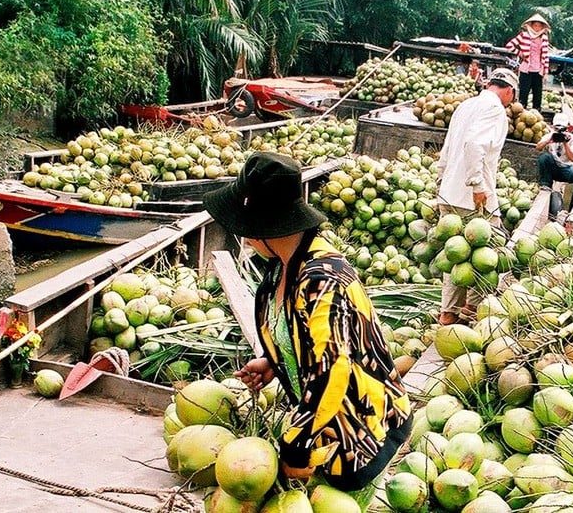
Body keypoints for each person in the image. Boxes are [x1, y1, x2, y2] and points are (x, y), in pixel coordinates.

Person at [203, 153, 412, 502]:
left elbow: (333, 371)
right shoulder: (282, 263)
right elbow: (305, 335)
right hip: (324, 426)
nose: (243, 236)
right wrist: (274, 361)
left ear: (264, 226)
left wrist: (295, 447)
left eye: (244, 227)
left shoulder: (322, 280)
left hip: (359, 432)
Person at [434, 68, 518, 325]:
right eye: (512, 97)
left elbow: (448, 147)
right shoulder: (495, 110)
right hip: (473, 196)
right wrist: (477, 184)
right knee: (487, 254)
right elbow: (473, 144)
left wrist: (441, 180)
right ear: (509, 91)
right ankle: (472, 309)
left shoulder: (466, 106)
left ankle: (449, 313)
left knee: (457, 256)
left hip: (450, 192)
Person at [535, 113, 573, 221]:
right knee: (544, 158)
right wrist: (548, 141)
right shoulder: (551, 136)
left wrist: (565, 143)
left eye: (562, 128)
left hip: (567, 169)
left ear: (567, 128)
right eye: (556, 128)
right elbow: (538, 148)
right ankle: (546, 185)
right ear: (553, 127)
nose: (559, 131)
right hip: (555, 169)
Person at [505, 13, 551, 110]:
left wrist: (545, 72)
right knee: (523, 93)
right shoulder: (524, 35)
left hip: (538, 70)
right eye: (535, 25)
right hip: (526, 70)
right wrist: (520, 53)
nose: (537, 28)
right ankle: (521, 112)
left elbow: (546, 56)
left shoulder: (544, 38)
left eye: (539, 26)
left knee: (537, 94)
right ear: (531, 25)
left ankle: (536, 113)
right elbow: (509, 46)